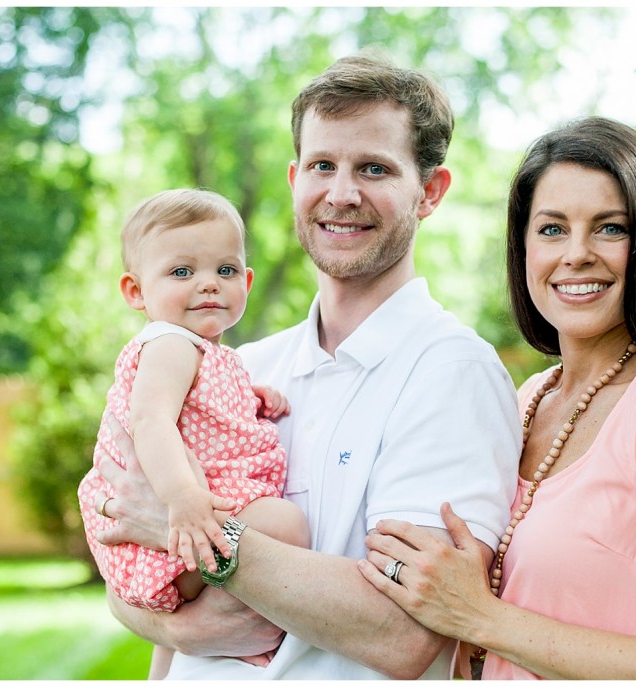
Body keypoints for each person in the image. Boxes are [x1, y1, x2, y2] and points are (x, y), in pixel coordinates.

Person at [90, 52, 521, 679]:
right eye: (323, 165)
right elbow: (125, 554)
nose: (341, 194)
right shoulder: (242, 368)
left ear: (429, 191)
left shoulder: (452, 375)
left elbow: (403, 635)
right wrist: (169, 620)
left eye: (374, 168)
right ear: (295, 178)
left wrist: (206, 539)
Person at [358, 116, 636, 679]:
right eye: (551, 229)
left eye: (610, 228)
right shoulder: (527, 398)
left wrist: (479, 617)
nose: (576, 253)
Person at [77, 188, 310, 679]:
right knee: (285, 525)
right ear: (136, 291)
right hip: (180, 514)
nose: (208, 284)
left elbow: (200, 410)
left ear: (246, 281)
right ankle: (246, 635)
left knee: (169, 651)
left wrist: (252, 397)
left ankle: (171, 671)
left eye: (225, 271)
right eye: (182, 272)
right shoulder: (170, 344)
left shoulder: (207, 354)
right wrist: (183, 500)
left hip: (192, 513)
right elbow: (151, 421)